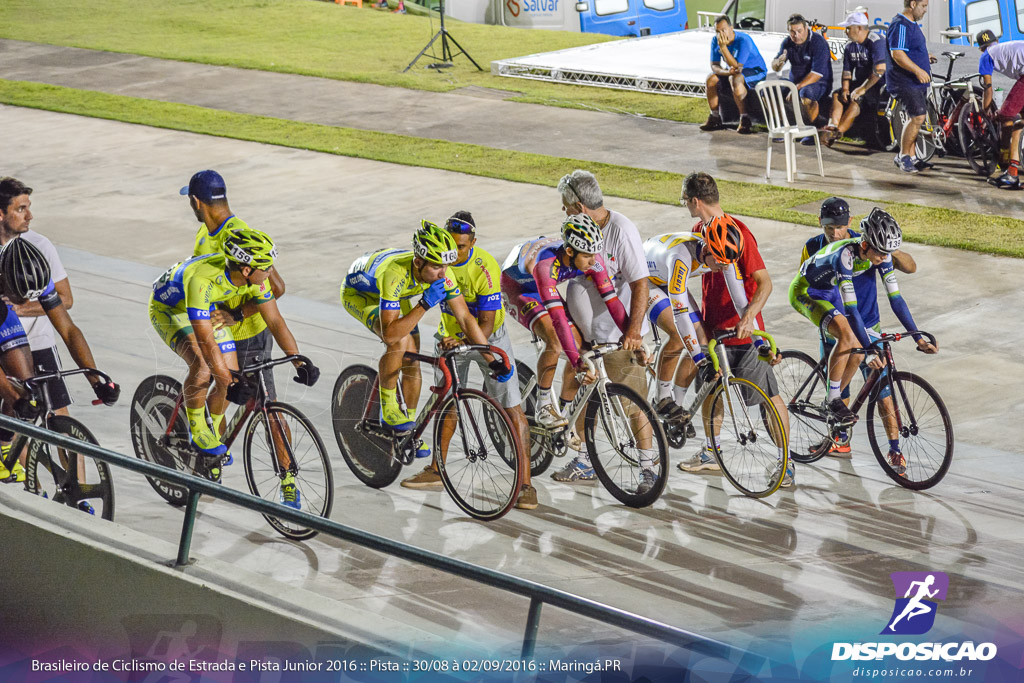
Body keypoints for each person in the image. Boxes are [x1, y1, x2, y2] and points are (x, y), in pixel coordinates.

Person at [150, 227, 318, 500]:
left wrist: (299, 361)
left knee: (232, 374)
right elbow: (206, 343)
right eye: (266, 266)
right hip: (170, 309)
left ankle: (213, 431)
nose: (271, 271)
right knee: (204, 366)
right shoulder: (201, 281)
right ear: (246, 269)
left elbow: (275, 321)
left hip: (207, 310)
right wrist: (228, 382)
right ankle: (197, 428)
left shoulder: (255, 278)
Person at [401, 211, 537, 510]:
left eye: (461, 247)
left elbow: (485, 322)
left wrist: (468, 343)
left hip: (488, 337)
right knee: (445, 401)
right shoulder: (440, 264)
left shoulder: (484, 266)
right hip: (449, 337)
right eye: (451, 244)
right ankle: (437, 469)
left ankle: (526, 484)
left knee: (511, 406)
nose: (454, 251)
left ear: (473, 243)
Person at [791, 208, 938, 472]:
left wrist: (918, 337)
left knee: (861, 353)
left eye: (887, 254)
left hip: (844, 304)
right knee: (849, 338)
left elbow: (896, 300)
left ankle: (889, 447)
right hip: (810, 293)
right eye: (880, 253)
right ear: (866, 244)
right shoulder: (845, 256)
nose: (884, 259)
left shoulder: (880, 254)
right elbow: (851, 311)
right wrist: (870, 348)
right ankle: (832, 401)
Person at [676, 173, 793, 487]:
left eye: (685, 199)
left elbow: (765, 283)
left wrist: (749, 317)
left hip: (743, 334)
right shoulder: (698, 230)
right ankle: (712, 454)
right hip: (713, 333)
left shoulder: (739, 232)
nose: (685, 204)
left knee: (767, 398)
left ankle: (787, 464)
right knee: (712, 394)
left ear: (695, 201)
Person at [342, 221, 511, 439]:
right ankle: (388, 409)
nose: (443, 274)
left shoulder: (441, 271)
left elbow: (466, 319)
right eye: (436, 267)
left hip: (396, 295)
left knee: (412, 358)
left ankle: (407, 432)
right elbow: (390, 334)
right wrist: (424, 304)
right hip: (362, 294)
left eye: (445, 266)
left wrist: (491, 359)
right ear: (418, 262)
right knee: (400, 341)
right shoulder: (394, 274)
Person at [502, 214, 631, 483]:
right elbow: (558, 320)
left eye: (596, 254)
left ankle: (562, 410)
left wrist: (632, 336)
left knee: (581, 346)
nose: (594, 261)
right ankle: (543, 403)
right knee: (557, 339)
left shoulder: (589, 258)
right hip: (519, 288)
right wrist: (575, 362)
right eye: (587, 256)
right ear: (570, 251)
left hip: (543, 286)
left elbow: (613, 303)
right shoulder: (545, 265)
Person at [0, 239, 120, 493]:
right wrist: (11, 394)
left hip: (5, 306)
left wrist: (95, 379)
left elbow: (68, 329)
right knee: (14, 391)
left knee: (25, 382)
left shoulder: (35, 276)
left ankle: (5, 438)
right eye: (20, 297)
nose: (26, 303)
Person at [560, 171, 650, 481]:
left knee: (634, 405)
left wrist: (634, 331)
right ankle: (585, 461)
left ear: (581, 205)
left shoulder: (621, 231)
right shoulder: (578, 229)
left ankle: (648, 468)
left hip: (617, 336)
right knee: (589, 398)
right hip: (587, 338)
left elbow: (640, 283)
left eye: (566, 205)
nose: (563, 211)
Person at [183, 171, 289, 408]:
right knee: (213, 389)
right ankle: (203, 437)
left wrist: (237, 314)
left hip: (250, 337)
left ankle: (211, 441)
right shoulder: (206, 232)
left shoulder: (236, 233)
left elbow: (277, 288)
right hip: (221, 334)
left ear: (196, 201)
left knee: (267, 410)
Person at [0, 178, 82, 429]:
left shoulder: (36, 249)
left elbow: (65, 304)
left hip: (36, 341)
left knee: (57, 418)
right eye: (21, 209)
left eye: (28, 207)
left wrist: (95, 377)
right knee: (17, 407)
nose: (30, 216)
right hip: (6, 339)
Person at [822, 12, 887, 148]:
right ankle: (832, 126)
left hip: (880, 84)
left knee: (857, 99)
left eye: (848, 28)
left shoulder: (876, 41)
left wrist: (862, 89)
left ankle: (839, 133)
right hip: (861, 82)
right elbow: (847, 71)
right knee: (837, 94)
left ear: (858, 28)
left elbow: (880, 70)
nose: (845, 32)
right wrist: (845, 88)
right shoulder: (849, 46)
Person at [886, 0, 936, 174]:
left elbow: (908, 50)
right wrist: (918, 70)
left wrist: (923, 56)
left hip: (915, 82)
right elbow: (897, 54)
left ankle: (913, 157)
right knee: (918, 117)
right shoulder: (900, 24)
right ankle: (903, 156)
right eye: (923, 6)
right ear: (913, 4)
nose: (925, 10)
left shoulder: (912, 24)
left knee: (914, 118)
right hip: (905, 82)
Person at [700, 14, 768, 135]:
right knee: (711, 79)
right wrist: (726, 72)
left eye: (723, 30)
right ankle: (715, 117)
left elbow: (737, 67)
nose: (720, 34)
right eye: (717, 31)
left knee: (735, 79)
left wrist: (724, 48)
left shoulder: (743, 40)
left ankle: (745, 118)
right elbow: (714, 64)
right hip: (732, 71)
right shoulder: (715, 40)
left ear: (731, 28)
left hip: (754, 71)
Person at [771, 13, 833, 139]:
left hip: (819, 83)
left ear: (806, 29)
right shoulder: (787, 42)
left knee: (806, 92)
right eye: (792, 32)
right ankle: (783, 126)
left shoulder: (818, 42)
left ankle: (812, 130)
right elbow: (775, 66)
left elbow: (817, 74)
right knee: (769, 91)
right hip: (795, 83)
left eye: (799, 31)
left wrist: (796, 88)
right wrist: (778, 63)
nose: (796, 35)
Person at [976, 29, 1024, 189]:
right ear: (996, 40)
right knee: (1020, 122)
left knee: (1006, 115)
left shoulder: (986, 56)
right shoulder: (1005, 48)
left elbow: (988, 87)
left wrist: (986, 110)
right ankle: (1012, 171)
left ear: (980, 47)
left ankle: (1010, 173)